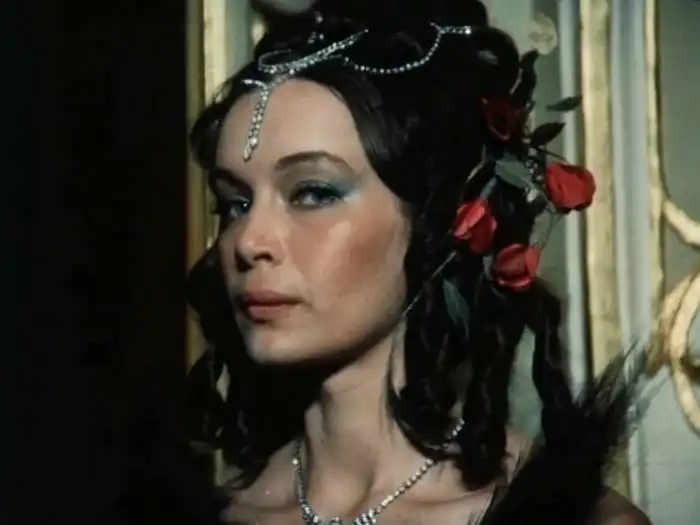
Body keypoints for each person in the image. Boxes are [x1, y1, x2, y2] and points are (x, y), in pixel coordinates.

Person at [184, 1, 652, 524]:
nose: (249, 241)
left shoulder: (570, 518)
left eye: (313, 193)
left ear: (433, 219)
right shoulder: (218, 511)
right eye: (235, 203)